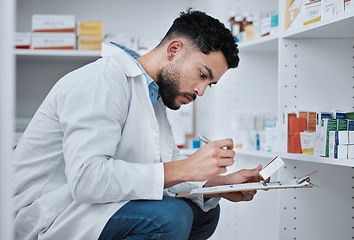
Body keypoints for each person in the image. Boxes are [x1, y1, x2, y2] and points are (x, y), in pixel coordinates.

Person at [12, 9, 263, 240]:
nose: (201, 90)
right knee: (171, 217)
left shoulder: (152, 95)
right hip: (46, 213)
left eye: (210, 84)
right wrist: (187, 167)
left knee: (205, 213)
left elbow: (161, 166)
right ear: (174, 49)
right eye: (201, 75)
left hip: (90, 206)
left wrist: (218, 185)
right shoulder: (102, 79)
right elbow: (87, 179)